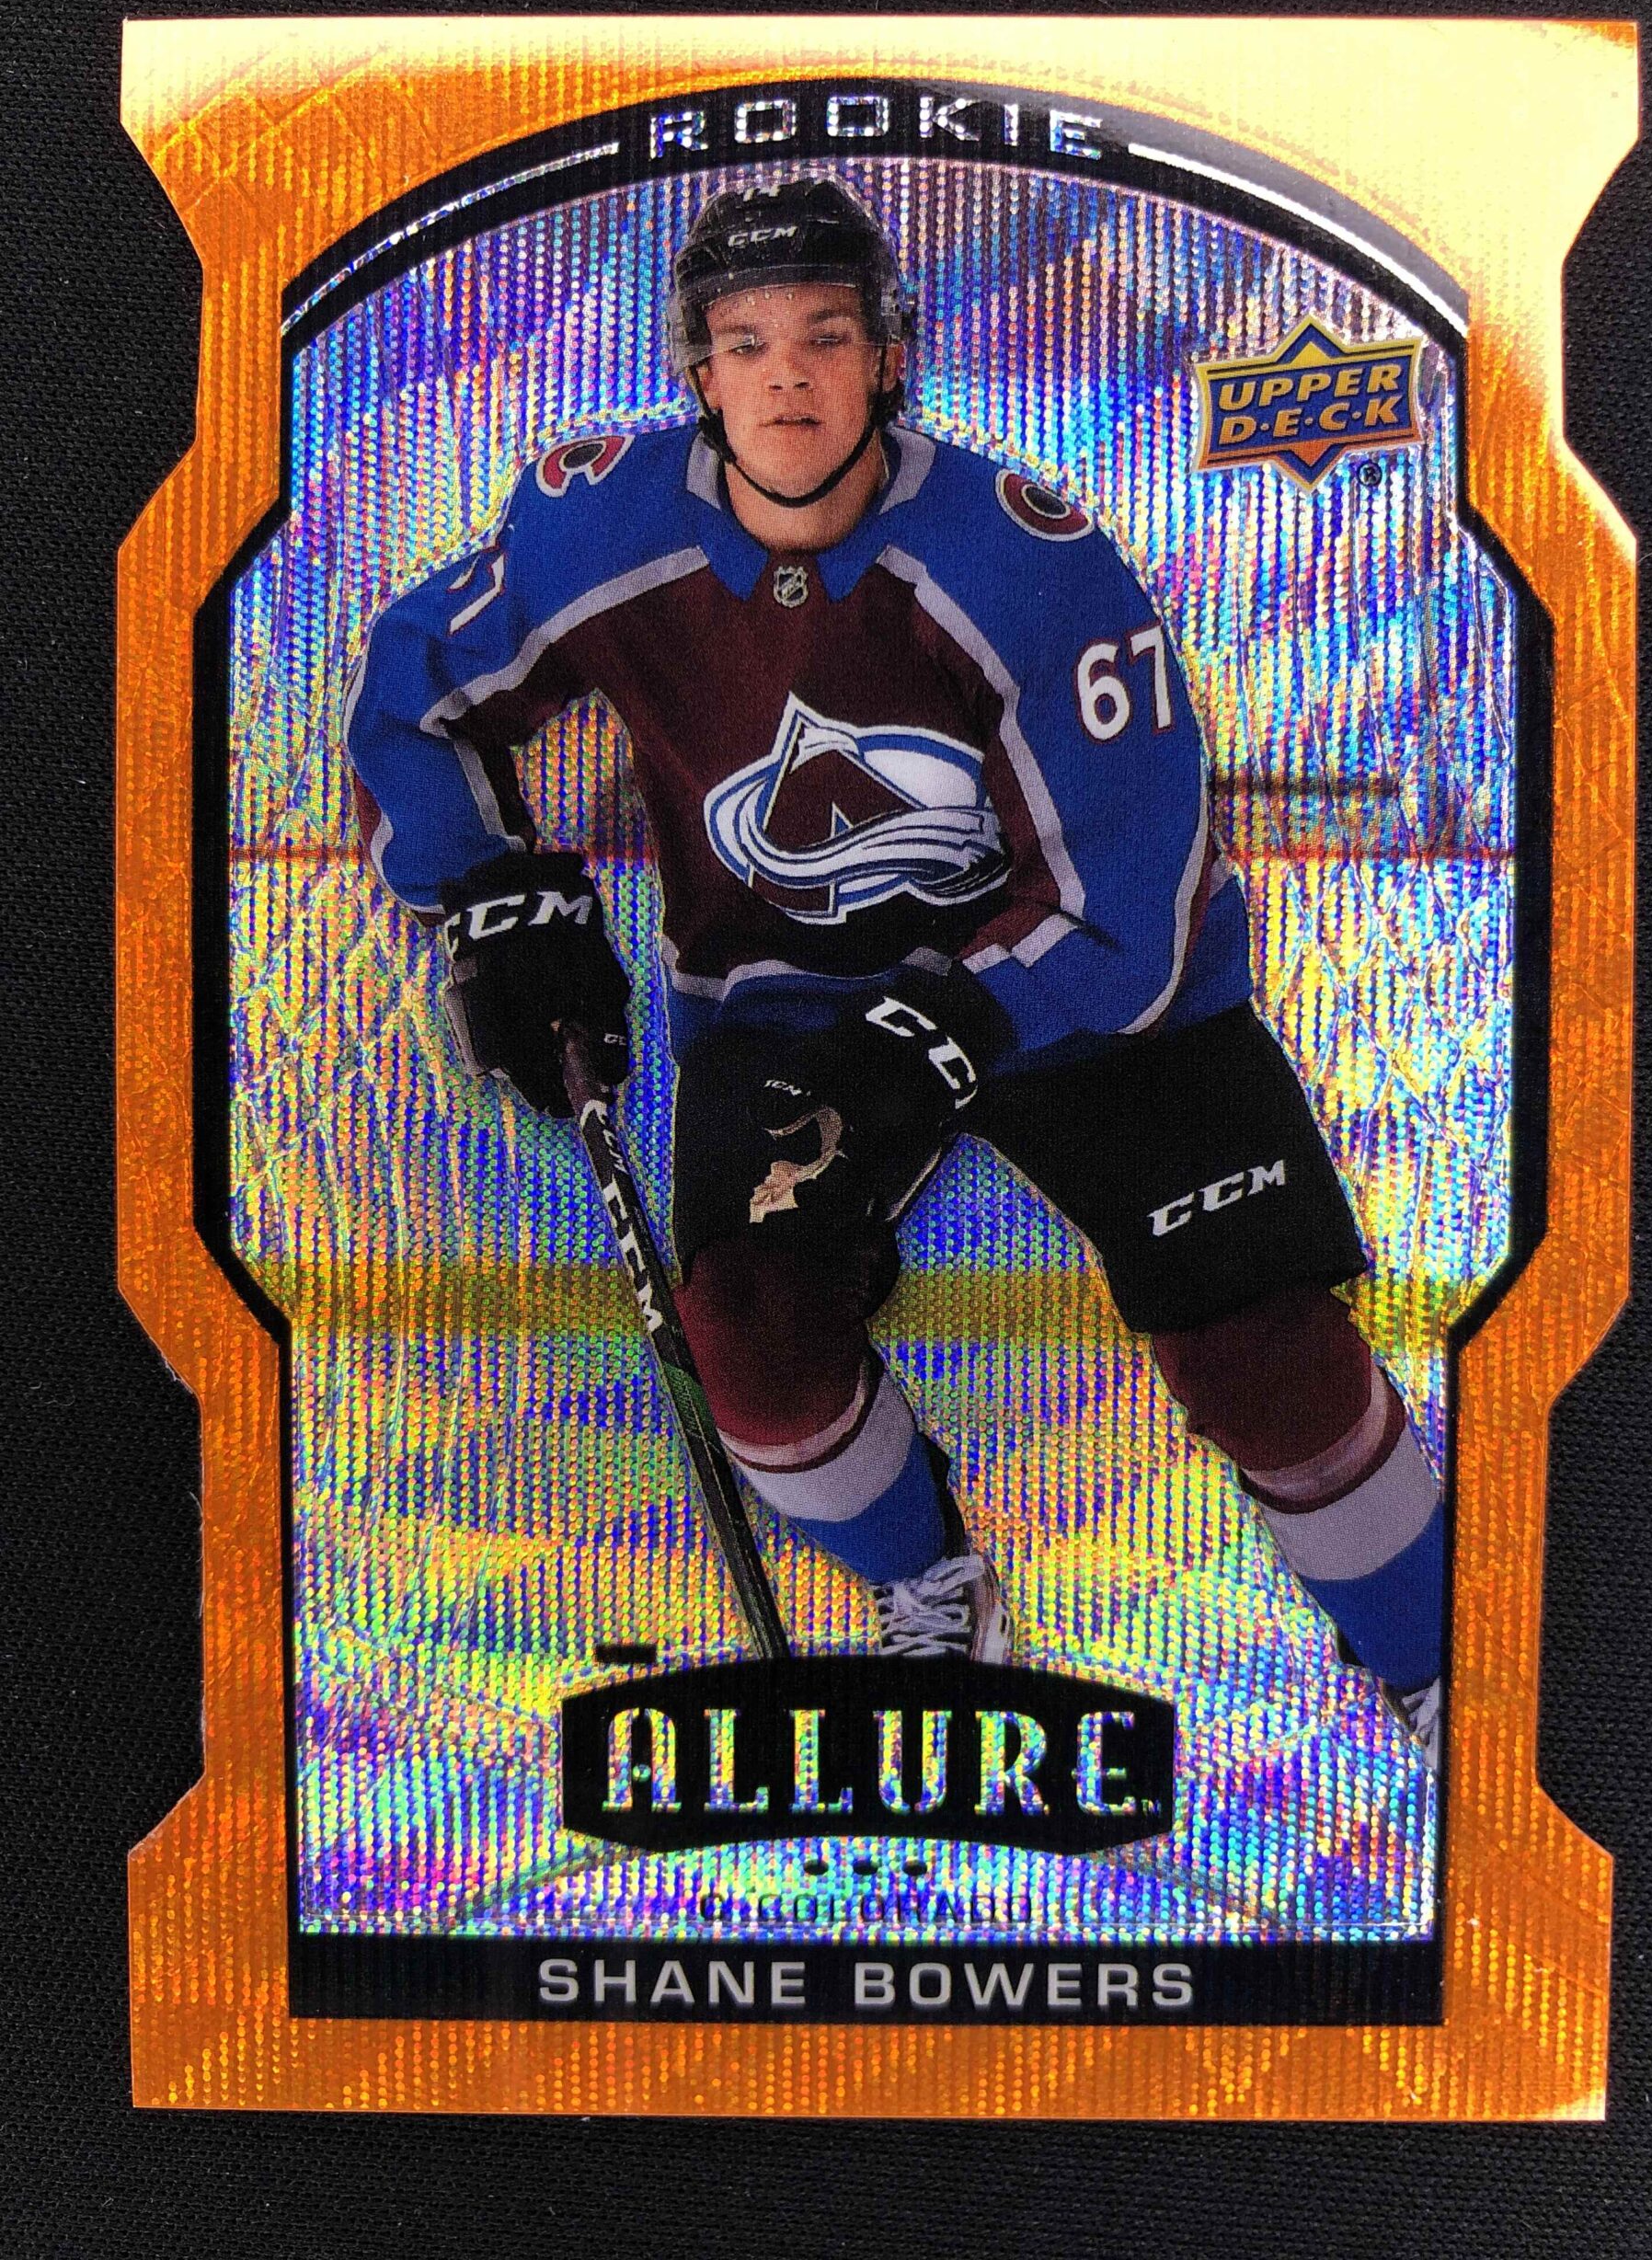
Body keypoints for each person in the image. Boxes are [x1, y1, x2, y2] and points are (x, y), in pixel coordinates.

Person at [345, 178, 1444, 1770]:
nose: (786, 378)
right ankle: (933, 1593)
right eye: (745, 344)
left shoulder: (1027, 557)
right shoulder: (594, 525)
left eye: (826, 336)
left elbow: (1132, 890)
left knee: (1266, 1350)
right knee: (753, 1348)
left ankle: (1441, 1671)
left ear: (889, 358)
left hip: (1085, 995)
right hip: (787, 993)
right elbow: (411, 691)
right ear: (698, 372)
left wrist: (958, 1023)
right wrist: (487, 895)